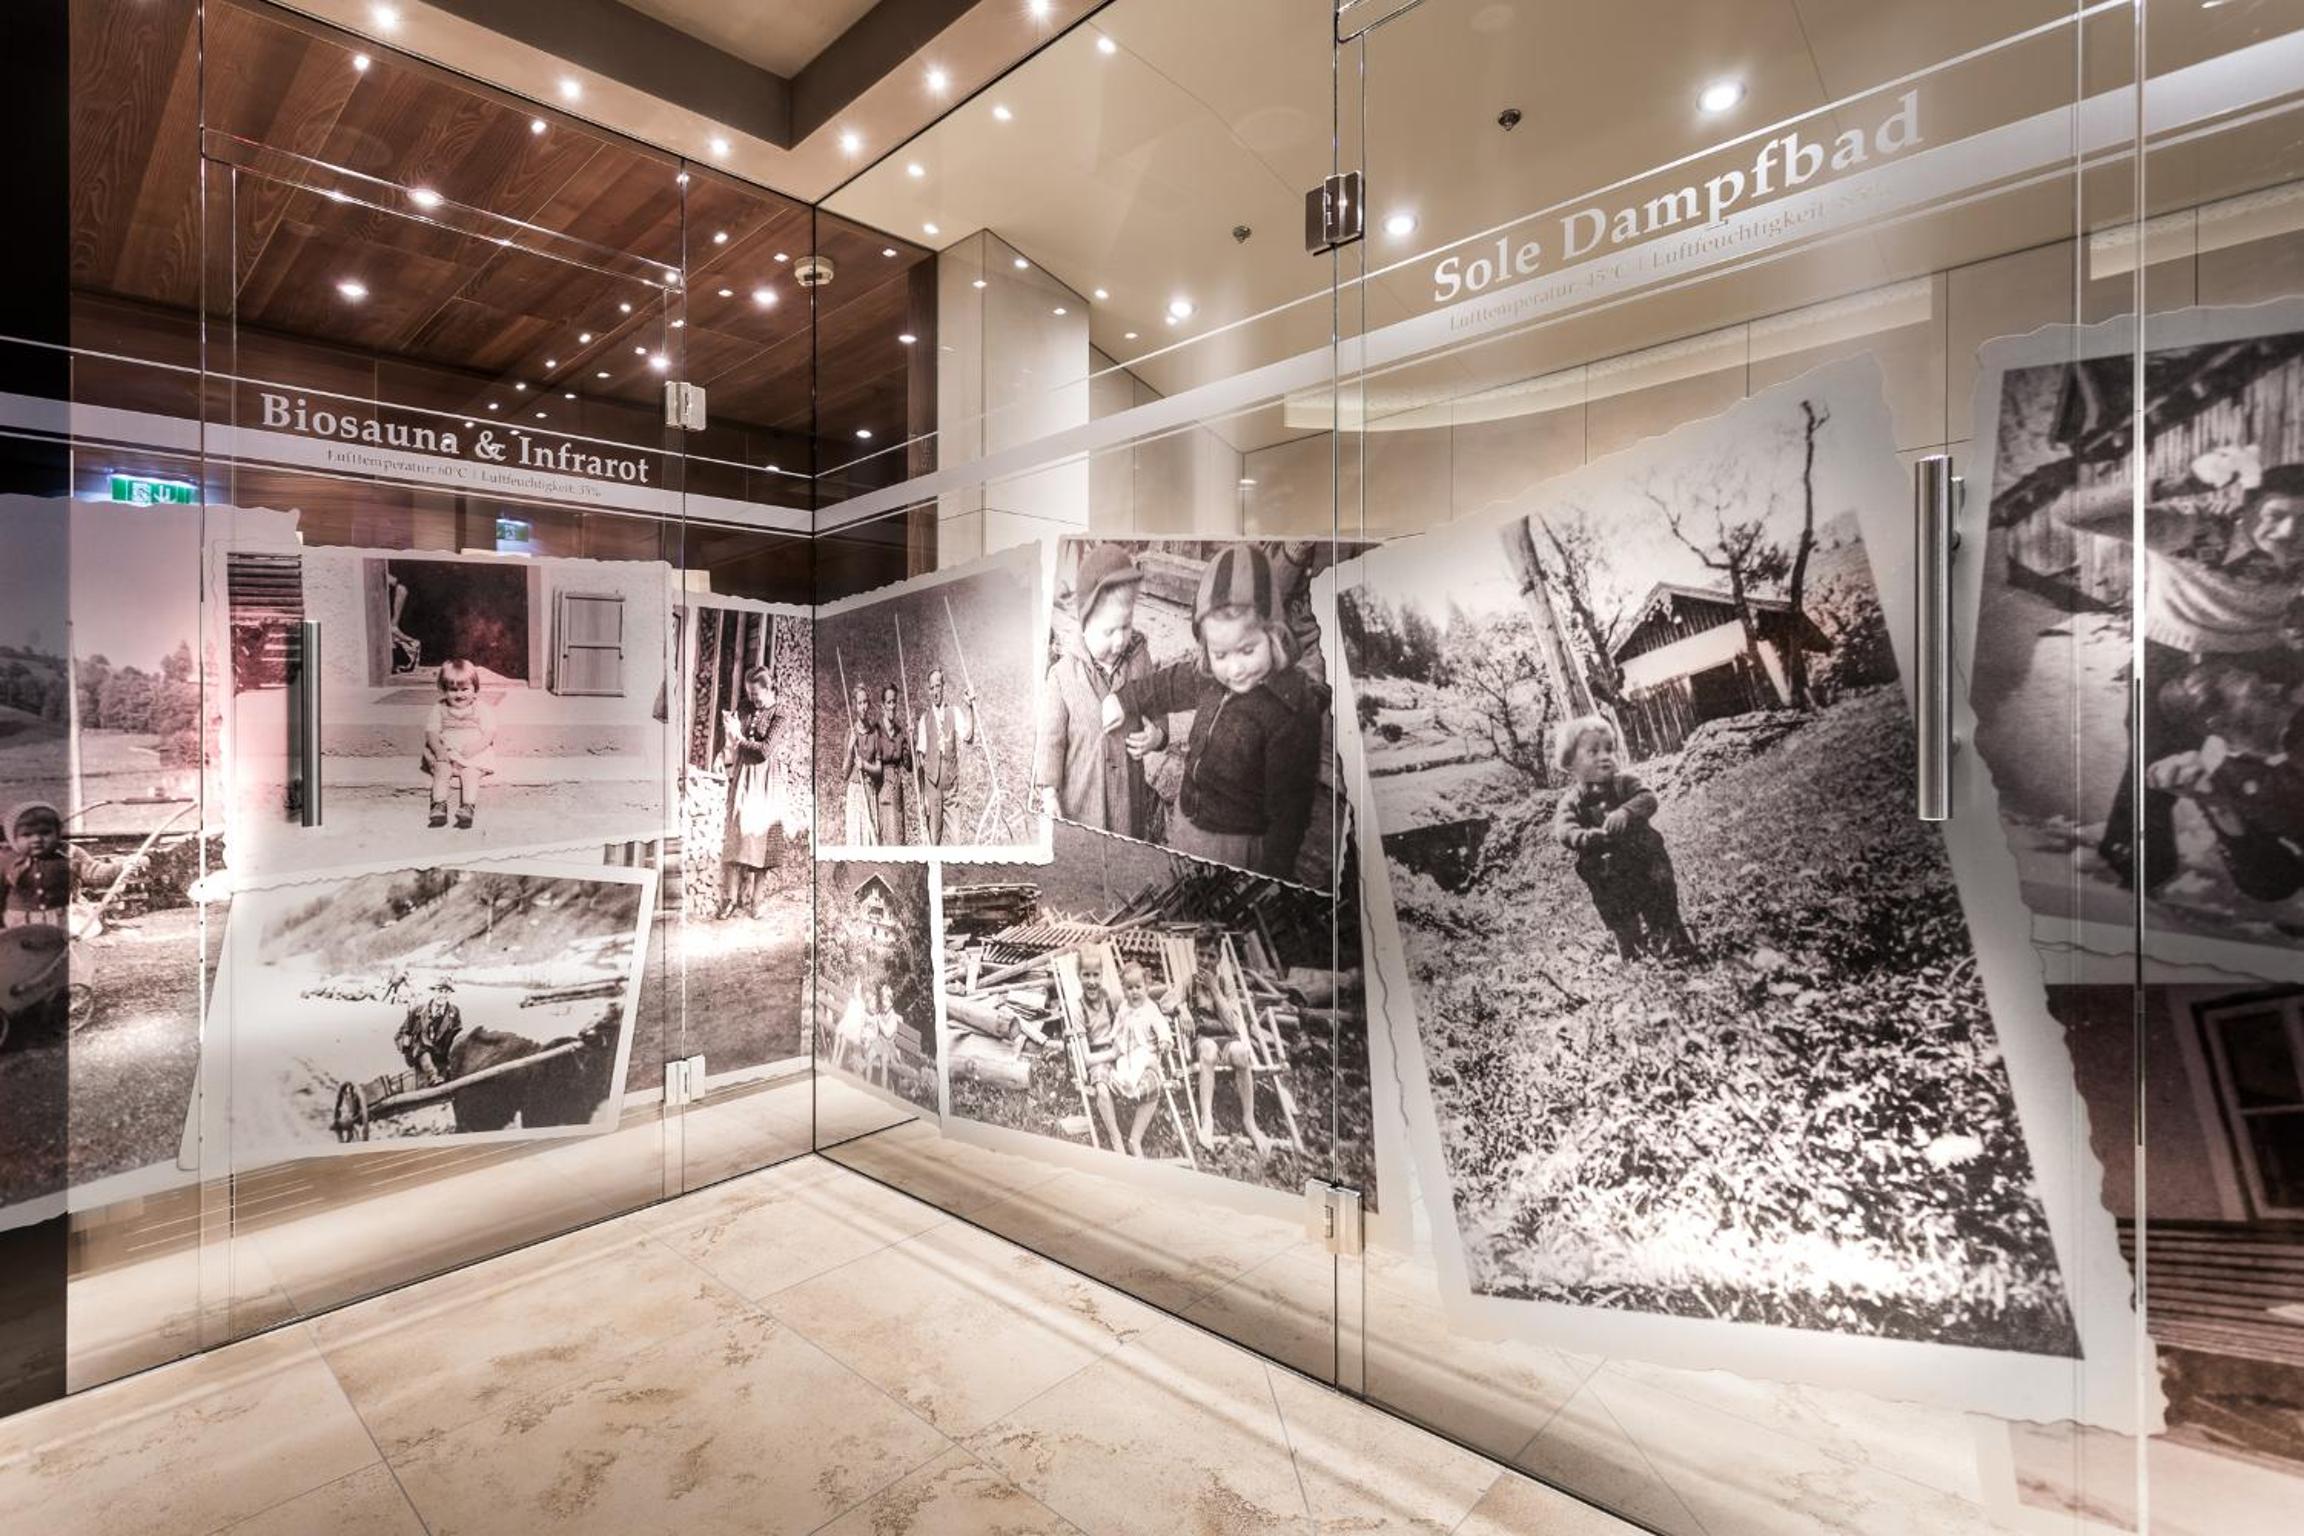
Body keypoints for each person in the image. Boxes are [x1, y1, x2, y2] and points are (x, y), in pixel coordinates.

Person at [2067, 457, 2304, 893]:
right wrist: (2180, 482)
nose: (2290, 532)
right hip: (2173, 654)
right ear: (2248, 507)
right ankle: (2138, 858)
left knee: (2276, 756)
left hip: (2262, 656)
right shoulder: (2194, 529)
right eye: (2276, 515)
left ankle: (2259, 856)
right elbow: (2072, 513)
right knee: (2154, 759)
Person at [1102, 545, 1322, 880]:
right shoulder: (1210, 676)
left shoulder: (1287, 711)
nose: (1235, 669)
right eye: (1220, 654)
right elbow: (1168, 684)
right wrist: (1125, 698)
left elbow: (1289, 813)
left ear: (1274, 634)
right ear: (1206, 648)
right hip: (1188, 822)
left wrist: (1273, 876)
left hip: (1237, 845)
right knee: (1179, 891)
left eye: (1247, 650)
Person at [1038, 544, 1162, 838]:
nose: (1119, 641)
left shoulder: (1140, 661)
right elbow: (1051, 740)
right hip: (1082, 803)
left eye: (1126, 626)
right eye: (1109, 631)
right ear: (1085, 624)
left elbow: (1158, 705)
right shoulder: (1063, 676)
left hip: (1128, 805)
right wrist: (1049, 792)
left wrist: (1156, 735)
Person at [1551, 716, 1696, 962]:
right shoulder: (1572, 801)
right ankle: (1632, 955)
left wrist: (1626, 812)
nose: (1605, 757)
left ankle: (1675, 945)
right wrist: (1584, 837)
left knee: (1660, 902)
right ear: (1570, 763)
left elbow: (1648, 798)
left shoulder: (1625, 783)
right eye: (1593, 751)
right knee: (1619, 915)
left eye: (1609, 749)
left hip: (1645, 860)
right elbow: (1564, 829)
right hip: (1606, 871)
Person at [717, 664, 788, 921]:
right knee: (738, 834)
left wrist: (739, 739)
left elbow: (765, 750)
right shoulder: (745, 707)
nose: (752, 698)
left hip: (765, 780)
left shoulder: (780, 714)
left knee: (762, 838)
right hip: (744, 776)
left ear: (769, 690)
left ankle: (757, 901)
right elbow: (732, 736)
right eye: (749, 693)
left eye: (756, 694)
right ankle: (731, 900)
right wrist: (728, 745)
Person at [1175, 969, 1270, 1155]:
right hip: (1203, 1039)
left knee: (1241, 1053)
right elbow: (1165, 1001)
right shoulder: (1189, 982)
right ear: (1196, 955)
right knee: (1209, 1051)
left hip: (1227, 1039)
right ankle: (1207, 1119)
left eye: (1211, 956)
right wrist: (1182, 1008)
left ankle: (1249, 1120)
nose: (1205, 960)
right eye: (1201, 955)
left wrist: (1215, 990)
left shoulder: (1227, 986)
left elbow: (1233, 1025)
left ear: (1218, 959)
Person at [1, 800, 135, 929]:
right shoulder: (7, 860)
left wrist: (122, 867)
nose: (37, 839)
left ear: (57, 833)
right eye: (26, 835)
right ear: (13, 837)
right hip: (20, 922)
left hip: (63, 919)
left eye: (45, 832)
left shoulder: (69, 853)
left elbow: (94, 872)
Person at [1093, 963, 1174, 1157]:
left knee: (1140, 1062)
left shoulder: (1151, 1009)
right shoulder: (1123, 1006)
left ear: (1147, 986)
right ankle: (1123, 1082)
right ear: (1124, 989)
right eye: (1129, 988)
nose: (1134, 992)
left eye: (1138, 987)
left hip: (1145, 1052)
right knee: (1122, 1065)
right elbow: (1118, 1025)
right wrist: (1112, 1037)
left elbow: (1162, 1026)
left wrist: (1164, 1040)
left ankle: (1131, 1085)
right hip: (1125, 1051)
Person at [421, 658, 496, 830]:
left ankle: (468, 807)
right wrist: (439, 750)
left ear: (475, 689)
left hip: (472, 752)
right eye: (453, 690)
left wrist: (476, 748)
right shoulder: (440, 708)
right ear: (444, 690)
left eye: (465, 689)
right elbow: (432, 733)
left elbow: (489, 734)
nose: (459, 694)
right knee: (441, 770)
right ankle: (439, 804)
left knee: (471, 774)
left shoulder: (481, 708)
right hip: (448, 752)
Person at [912, 666, 978, 844]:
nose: (935, 692)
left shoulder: (954, 712)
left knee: (956, 838)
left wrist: (970, 707)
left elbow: (968, 736)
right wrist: (923, 797)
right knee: (934, 839)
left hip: (951, 787)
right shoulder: (924, 720)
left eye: (938, 686)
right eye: (932, 688)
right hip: (932, 788)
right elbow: (920, 760)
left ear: (943, 687)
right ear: (929, 690)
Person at [395, 979, 465, 1084]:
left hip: (442, 1054)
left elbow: (456, 1033)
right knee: (421, 1046)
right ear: (433, 992)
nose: (443, 995)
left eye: (446, 992)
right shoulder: (418, 1011)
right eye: (440, 991)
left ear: (450, 994)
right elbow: (400, 1034)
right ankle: (432, 1076)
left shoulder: (454, 1012)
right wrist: (406, 1045)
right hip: (420, 1055)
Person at [841, 682, 881, 845]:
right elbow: (844, 774)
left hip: (869, 789)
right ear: (854, 706)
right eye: (859, 703)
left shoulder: (874, 734)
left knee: (869, 838)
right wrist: (850, 749)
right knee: (855, 839)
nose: (863, 707)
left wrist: (865, 765)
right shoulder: (850, 733)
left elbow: (878, 769)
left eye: (865, 702)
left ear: (869, 704)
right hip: (855, 791)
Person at [874, 683, 913, 844]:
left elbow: (908, 766)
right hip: (882, 788)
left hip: (897, 789)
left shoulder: (900, 733)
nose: (892, 706)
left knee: (898, 837)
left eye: (894, 701)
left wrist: (910, 739)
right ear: (882, 706)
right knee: (885, 836)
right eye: (889, 702)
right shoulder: (876, 731)